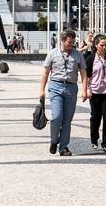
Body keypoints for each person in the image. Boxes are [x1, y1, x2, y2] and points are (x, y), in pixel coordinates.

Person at [37, 28, 88, 157]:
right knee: (56, 116)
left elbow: (83, 73)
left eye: (73, 42)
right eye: (69, 42)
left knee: (67, 120)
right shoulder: (52, 53)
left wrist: (84, 90)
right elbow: (45, 72)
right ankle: (54, 140)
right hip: (56, 86)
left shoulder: (78, 55)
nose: (72, 44)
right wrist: (42, 90)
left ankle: (64, 147)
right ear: (62, 41)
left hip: (71, 88)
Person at [84, 35, 106, 152]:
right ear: (96, 45)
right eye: (101, 45)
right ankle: (94, 139)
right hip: (95, 92)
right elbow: (86, 76)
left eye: (105, 45)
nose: (104, 47)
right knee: (95, 117)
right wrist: (87, 89)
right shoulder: (91, 58)